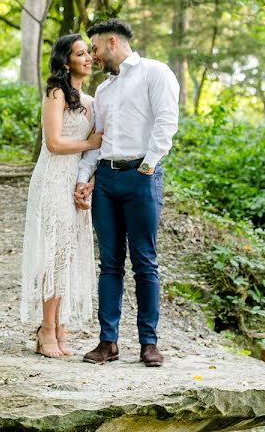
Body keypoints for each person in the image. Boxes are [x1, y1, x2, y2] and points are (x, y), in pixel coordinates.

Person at [74, 19, 180, 367]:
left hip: (141, 176)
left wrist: (148, 166)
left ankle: (149, 343)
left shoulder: (155, 72)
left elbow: (167, 121)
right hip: (106, 180)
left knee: (145, 262)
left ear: (112, 43)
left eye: (95, 48)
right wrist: (83, 176)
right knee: (109, 264)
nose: (93, 55)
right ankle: (108, 342)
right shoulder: (103, 91)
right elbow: (98, 138)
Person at [20, 34, 102, 358]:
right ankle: (47, 328)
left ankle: (61, 323)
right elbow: (53, 143)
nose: (87, 58)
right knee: (53, 253)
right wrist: (90, 144)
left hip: (75, 180)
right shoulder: (55, 93)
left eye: (88, 53)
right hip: (52, 177)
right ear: (66, 61)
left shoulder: (93, 101)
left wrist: (88, 183)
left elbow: (93, 156)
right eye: (80, 54)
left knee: (68, 254)